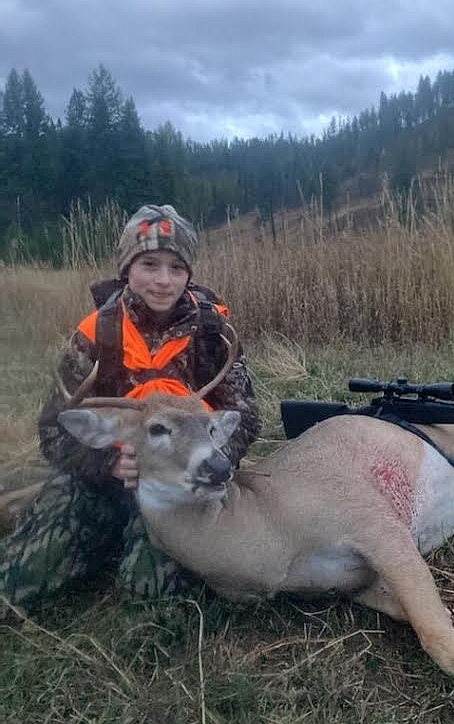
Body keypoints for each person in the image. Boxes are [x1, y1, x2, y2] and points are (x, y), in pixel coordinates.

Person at [0, 205, 260, 607]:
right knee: (17, 582)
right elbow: (53, 431)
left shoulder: (214, 335)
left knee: (148, 591)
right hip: (103, 483)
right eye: (149, 264)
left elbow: (244, 417)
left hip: (178, 487)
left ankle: (122, 546)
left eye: (176, 267)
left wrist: (208, 459)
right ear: (126, 268)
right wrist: (108, 465)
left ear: (189, 273)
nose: (163, 280)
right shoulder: (96, 334)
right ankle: (88, 534)